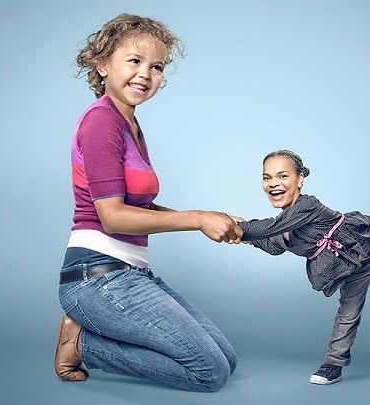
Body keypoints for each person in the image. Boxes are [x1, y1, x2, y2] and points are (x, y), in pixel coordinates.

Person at [54, 13, 242, 392]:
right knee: (210, 373)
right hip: (97, 277)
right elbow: (113, 217)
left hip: (129, 272)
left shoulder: (129, 125)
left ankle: (86, 338)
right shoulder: (101, 122)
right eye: (134, 61)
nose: (146, 73)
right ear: (103, 64)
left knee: (227, 359)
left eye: (156, 66)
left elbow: (139, 208)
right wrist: (197, 219)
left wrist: (211, 219)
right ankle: (82, 346)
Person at [236, 150, 370, 385]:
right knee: (348, 312)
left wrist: (236, 227)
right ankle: (333, 365)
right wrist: (239, 235)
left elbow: (266, 228)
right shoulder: (283, 229)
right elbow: (272, 244)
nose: (273, 183)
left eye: (283, 176)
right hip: (353, 269)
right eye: (267, 177)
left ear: (300, 179)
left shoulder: (308, 205)